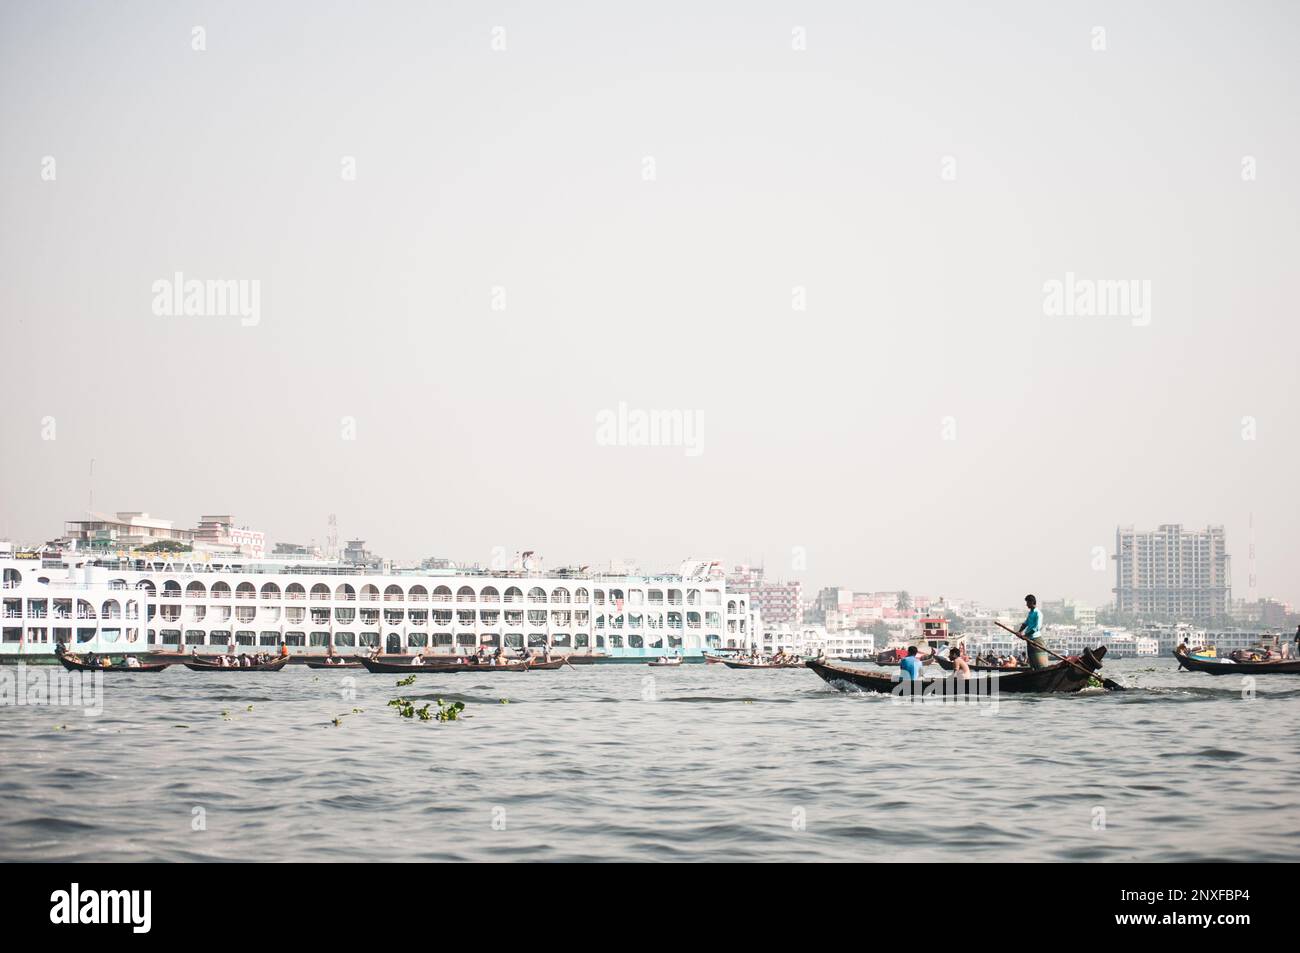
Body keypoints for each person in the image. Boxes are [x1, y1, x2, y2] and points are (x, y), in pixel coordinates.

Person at [1016, 594, 1049, 669]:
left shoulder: (1038, 613)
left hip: (1036, 639)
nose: (1026, 604)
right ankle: (1033, 670)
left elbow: (1037, 628)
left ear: (1031, 602)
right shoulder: (1030, 613)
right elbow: (1026, 623)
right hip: (1029, 639)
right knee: (1031, 658)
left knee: (1040, 660)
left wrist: (1026, 635)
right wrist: (1019, 631)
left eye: (1027, 602)